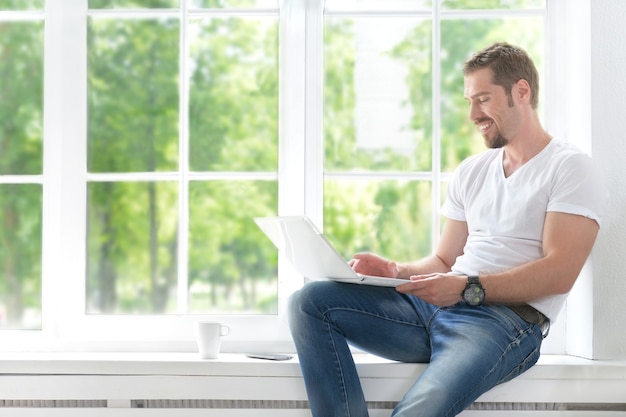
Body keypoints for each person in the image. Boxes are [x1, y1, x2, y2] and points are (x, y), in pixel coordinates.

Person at [288, 42, 608, 417]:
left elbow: (559, 273)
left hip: (505, 323)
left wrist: (468, 288)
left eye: (483, 99)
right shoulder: (473, 170)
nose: (473, 114)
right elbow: (444, 258)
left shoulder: (569, 168)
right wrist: (394, 271)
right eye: (470, 101)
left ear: (521, 92)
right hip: (436, 307)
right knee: (309, 302)